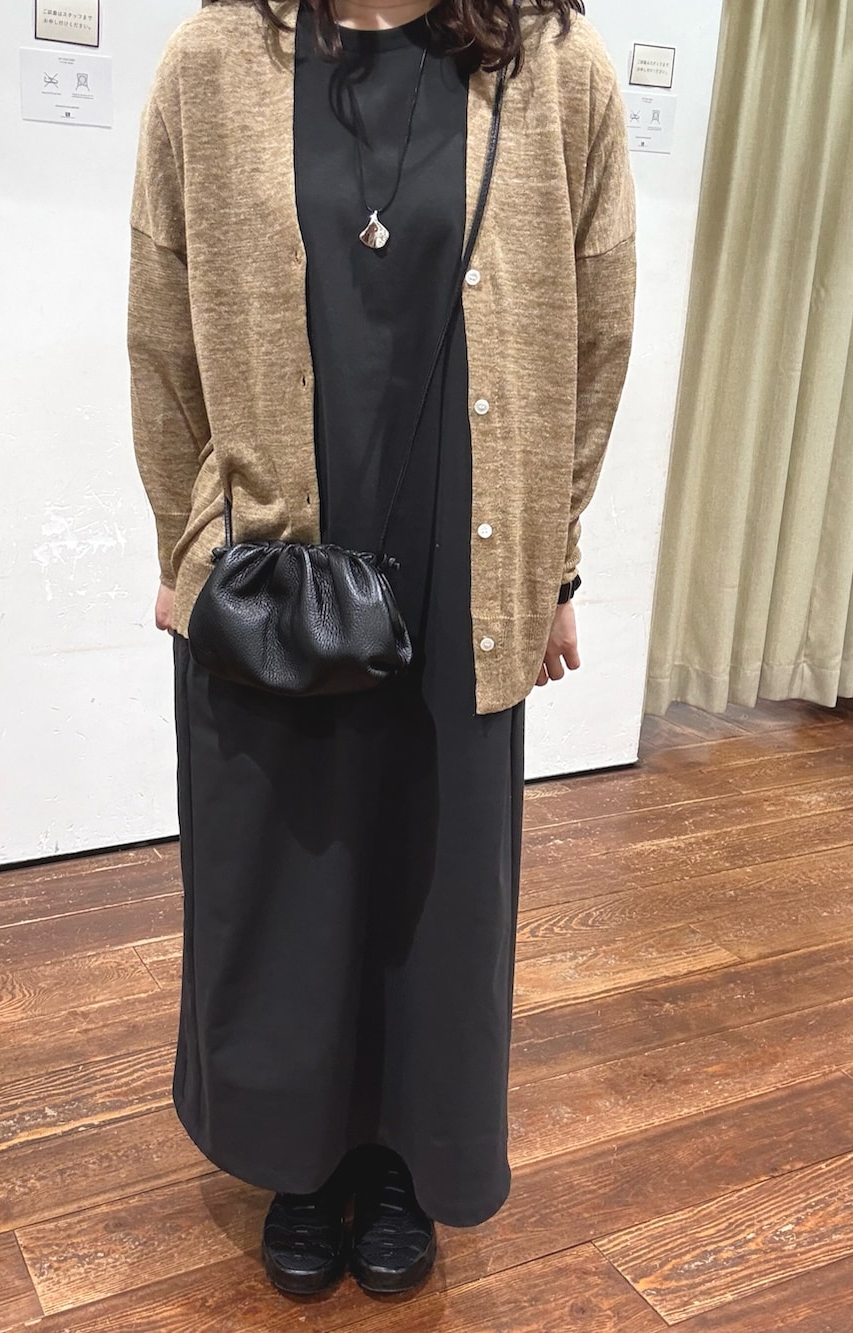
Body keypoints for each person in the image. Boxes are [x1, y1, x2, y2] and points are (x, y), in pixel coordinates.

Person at [127, 0, 635, 1299]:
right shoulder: (213, 59)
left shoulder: (554, 64)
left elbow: (596, 329)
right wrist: (188, 546)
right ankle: (300, 1159)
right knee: (286, 872)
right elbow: (162, 319)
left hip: (465, 549)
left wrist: (551, 560)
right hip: (275, 560)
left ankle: (410, 1156)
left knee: (436, 878)